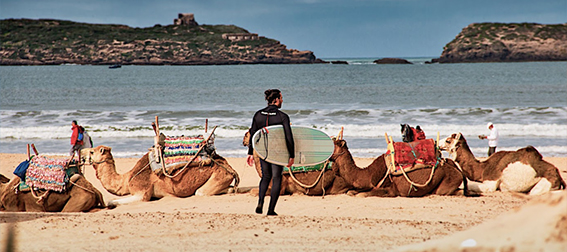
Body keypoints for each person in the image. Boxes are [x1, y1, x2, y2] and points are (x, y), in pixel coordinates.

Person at [247, 89, 294, 216]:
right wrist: (292, 155)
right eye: (281, 98)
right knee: (277, 178)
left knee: (266, 177)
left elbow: (253, 134)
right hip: (277, 152)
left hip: (263, 151)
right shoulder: (282, 116)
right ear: (277, 100)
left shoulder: (258, 114)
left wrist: (250, 152)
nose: (282, 100)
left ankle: (260, 202)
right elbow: (289, 137)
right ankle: (271, 209)